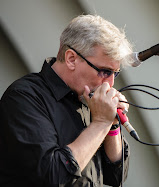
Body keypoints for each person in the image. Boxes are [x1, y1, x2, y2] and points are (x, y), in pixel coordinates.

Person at [0, 14, 134, 186]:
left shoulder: (90, 100)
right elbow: (53, 176)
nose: (110, 82)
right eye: (104, 71)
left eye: (115, 73)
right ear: (71, 59)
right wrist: (100, 123)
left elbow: (116, 176)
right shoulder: (24, 97)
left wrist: (112, 125)